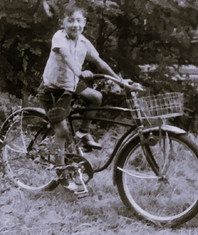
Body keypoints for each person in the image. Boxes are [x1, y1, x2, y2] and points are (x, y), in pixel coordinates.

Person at [37, 2, 129, 191]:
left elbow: (100, 62)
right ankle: (61, 174)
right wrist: (80, 72)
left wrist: (120, 81)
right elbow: (66, 57)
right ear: (62, 22)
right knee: (61, 132)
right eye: (70, 20)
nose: (75, 25)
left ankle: (83, 133)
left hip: (71, 85)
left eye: (79, 20)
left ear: (84, 22)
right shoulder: (59, 37)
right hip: (53, 89)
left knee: (96, 97)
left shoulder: (84, 42)